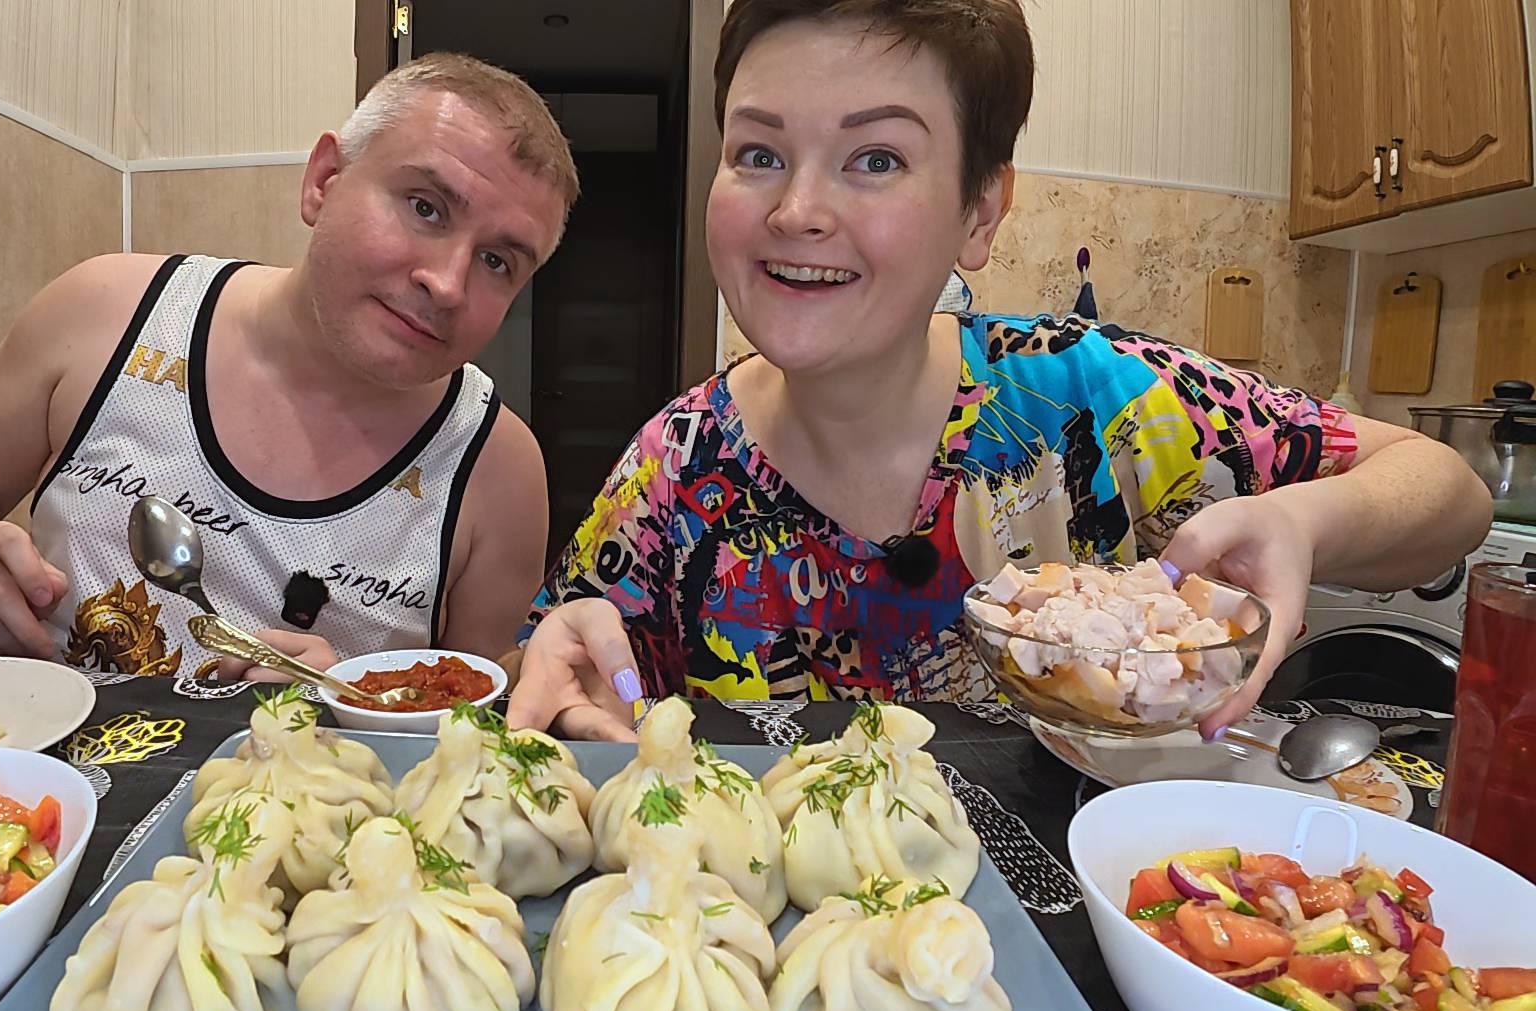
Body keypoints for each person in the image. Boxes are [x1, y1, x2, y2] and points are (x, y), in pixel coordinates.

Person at [506, 0, 1490, 743]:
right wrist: (565, 666)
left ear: (980, 210)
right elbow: (549, 667)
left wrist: (1304, 521)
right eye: (758, 152)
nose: (796, 210)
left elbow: (1450, 493)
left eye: (875, 159)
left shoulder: (1089, 396)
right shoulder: (677, 465)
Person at [0, 54, 576, 680]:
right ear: (324, 181)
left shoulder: (497, 469)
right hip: (44, 775)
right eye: (425, 208)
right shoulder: (108, 311)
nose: (448, 285)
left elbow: (469, 711)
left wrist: (350, 700)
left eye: (497, 261)